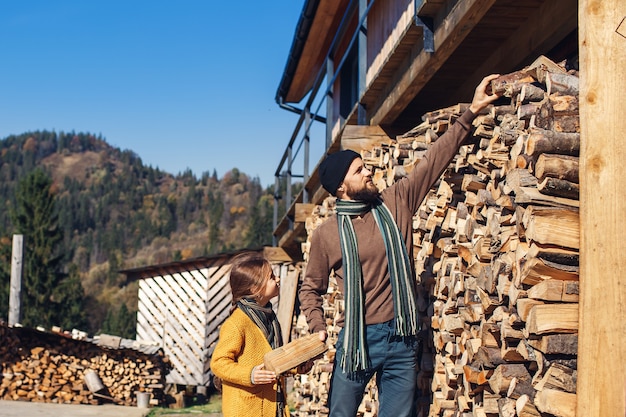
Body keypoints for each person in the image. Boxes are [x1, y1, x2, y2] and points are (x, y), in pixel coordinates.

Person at [298, 74, 502, 417]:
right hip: (357, 341)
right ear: (340, 189)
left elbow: (433, 162)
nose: (368, 173)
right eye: (359, 170)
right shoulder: (327, 233)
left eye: (365, 167)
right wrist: (319, 328)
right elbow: (309, 289)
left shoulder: (395, 202)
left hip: (402, 335)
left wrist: (472, 110)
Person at [210, 251, 290, 417]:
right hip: (246, 410)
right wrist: (250, 375)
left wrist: (297, 366)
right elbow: (218, 363)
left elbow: (274, 358)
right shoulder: (237, 323)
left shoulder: (270, 319)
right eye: (272, 277)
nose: (278, 279)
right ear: (255, 288)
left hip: (273, 407)